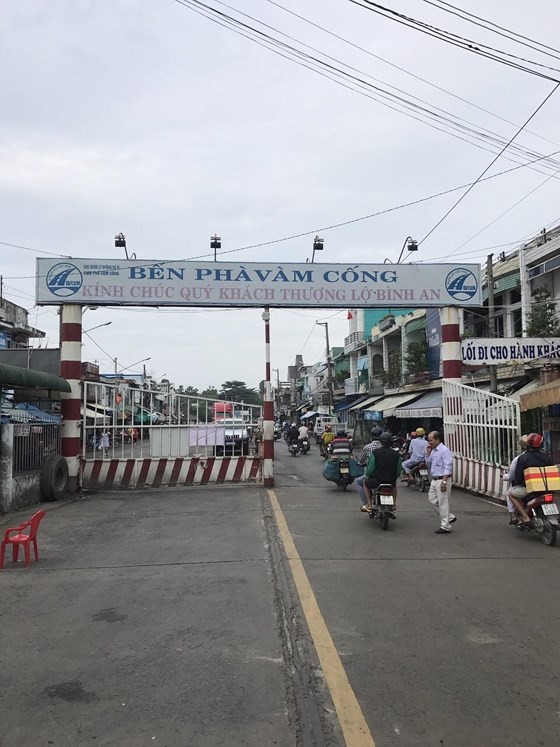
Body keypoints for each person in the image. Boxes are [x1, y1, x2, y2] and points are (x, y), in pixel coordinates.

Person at [511, 432, 552, 526]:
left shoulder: (523, 458)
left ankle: (525, 517)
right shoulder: (546, 457)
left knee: (511, 495)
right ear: (541, 444)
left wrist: (520, 483)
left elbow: (518, 476)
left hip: (529, 489)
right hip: (547, 488)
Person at [425, 431, 456, 534]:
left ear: (437, 439)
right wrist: (428, 453)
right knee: (432, 499)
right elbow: (428, 463)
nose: (429, 442)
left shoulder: (444, 451)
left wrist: (444, 481)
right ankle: (449, 517)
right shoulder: (433, 450)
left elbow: (448, 466)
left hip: (442, 479)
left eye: (431, 440)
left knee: (443, 503)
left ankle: (445, 526)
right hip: (434, 479)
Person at [363, 431, 402, 513]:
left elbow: (370, 468)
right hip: (390, 481)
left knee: (365, 483)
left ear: (380, 441)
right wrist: (395, 476)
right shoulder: (396, 454)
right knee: (394, 487)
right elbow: (398, 470)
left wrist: (368, 475)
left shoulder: (375, 453)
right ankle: (394, 505)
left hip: (376, 481)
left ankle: (369, 504)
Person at [503, 435, 529, 524]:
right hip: (545, 486)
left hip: (526, 487)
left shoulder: (519, 458)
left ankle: (515, 516)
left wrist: (504, 476)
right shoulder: (544, 456)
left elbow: (513, 475)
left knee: (510, 494)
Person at [355, 427, 382, 510]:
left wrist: (360, 463)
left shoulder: (368, 447)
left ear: (371, 436)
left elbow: (361, 461)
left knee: (360, 482)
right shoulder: (387, 448)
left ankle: (367, 503)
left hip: (373, 475)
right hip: (387, 475)